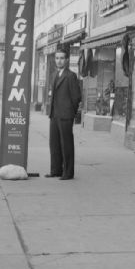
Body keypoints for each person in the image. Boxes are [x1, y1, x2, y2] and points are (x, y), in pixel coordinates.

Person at [45, 47, 81, 180]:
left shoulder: (70, 76)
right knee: (54, 143)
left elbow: (77, 97)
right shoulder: (54, 74)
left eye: (61, 58)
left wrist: (71, 112)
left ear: (66, 60)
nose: (59, 61)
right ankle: (55, 170)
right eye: (57, 58)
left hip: (66, 115)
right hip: (54, 114)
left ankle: (68, 172)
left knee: (66, 144)